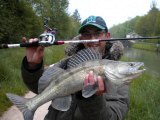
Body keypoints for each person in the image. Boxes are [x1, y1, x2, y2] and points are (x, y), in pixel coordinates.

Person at [21, 15, 129, 120]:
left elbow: (113, 117)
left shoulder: (119, 79)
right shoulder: (66, 64)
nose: (92, 39)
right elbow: (40, 87)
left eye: (98, 33)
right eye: (87, 34)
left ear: (107, 35)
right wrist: (33, 66)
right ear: (81, 38)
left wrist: (92, 98)